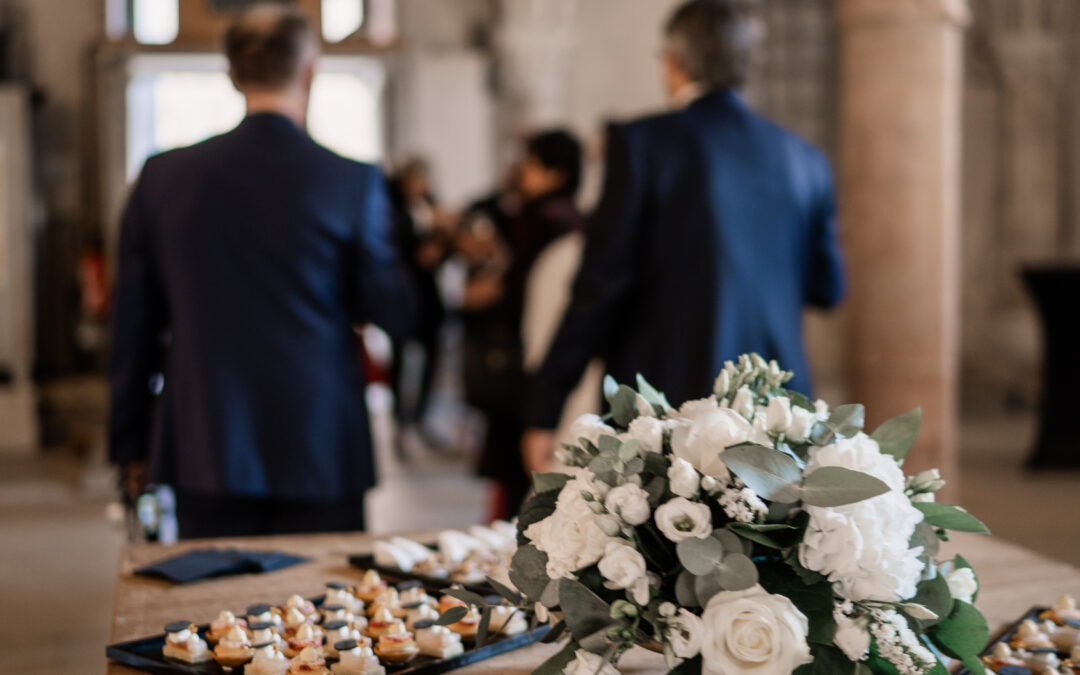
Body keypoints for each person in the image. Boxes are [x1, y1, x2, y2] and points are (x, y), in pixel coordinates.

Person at [108, 3, 414, 538]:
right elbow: (392, 309)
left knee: (216, 613)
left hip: (206, 437)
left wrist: (132, 445)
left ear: (232, 75)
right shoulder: (351, 182)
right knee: (326, 614)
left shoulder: (163, 178)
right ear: (310, 70)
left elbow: (133, 327)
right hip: (320, 441)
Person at [521, 0, 846, 475]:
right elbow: (827, 288)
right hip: (775, 416)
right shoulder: (805, 158)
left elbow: (599, 287)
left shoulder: (641, 145)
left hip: (669, 411)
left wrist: (544, 408)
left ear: (673, 63)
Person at [460, 130, 584, 518]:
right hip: (543, 363)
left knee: (520, 478)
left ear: (554, 172)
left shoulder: (543, 219)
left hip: (523, 364)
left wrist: (485, 291)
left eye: (530, 164)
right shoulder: (574, 220)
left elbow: (520, 296)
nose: (522, 173)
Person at [387, 159, 454, 437]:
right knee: (400, 356)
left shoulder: (432, 207)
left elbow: (449, 244)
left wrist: (441, 242)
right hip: (404, 290)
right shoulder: (393, 210)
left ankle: (420, 415)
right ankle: (400, 417)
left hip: (428, 293)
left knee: (432, 353)